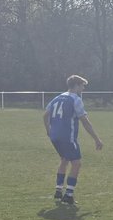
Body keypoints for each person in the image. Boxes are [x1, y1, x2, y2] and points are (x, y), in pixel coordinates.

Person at [43, 74, 103, 206]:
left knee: (64, 160)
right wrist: (97, 139)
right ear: (76, 85)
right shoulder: (75, 99)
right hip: (66, 136)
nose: (83, 89)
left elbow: (45, 115)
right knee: (76, 163)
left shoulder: (57, 97)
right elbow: (85, 122)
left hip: (55, 136)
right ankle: (68, 195)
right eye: (82, 86)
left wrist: (49, 130)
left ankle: (58, 190)